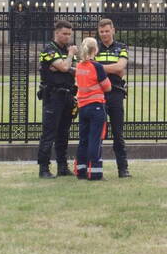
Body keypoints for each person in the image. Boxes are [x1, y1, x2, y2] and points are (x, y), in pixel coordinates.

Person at [36, 20, 78, 179]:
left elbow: (74, 70)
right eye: (64, 34)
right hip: (53, 95)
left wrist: (63, 66)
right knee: (49, 133)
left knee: (63, 133)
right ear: (56, 33)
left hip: (68, 95)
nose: (67, 37)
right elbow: (66, 68)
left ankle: (62, 166)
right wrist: (67, 61)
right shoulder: (48, 49)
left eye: (69, 34)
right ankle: (44, 168)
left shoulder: (66, 51)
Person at [96, 18, 131, 178]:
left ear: (113, 30)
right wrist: (113, 68)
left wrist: (98, 67)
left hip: (116, 93)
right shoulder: (94, 48)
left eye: (107, 31)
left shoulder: (121, 47)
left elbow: (120, 68)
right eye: (101, 31)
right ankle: (96, 169)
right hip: (98, 94)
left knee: (118, 133)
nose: (104, 34)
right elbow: (116, 68)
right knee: (97, 133)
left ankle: (123, 169)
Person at [75, 36, 112, 180]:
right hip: (96, 106)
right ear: (95, 49)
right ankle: (95, 172)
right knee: (95, 139)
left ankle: (81, 171)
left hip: (82, 106)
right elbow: (107, 87)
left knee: (83, 139)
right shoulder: (97, 66)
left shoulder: (79, 66)